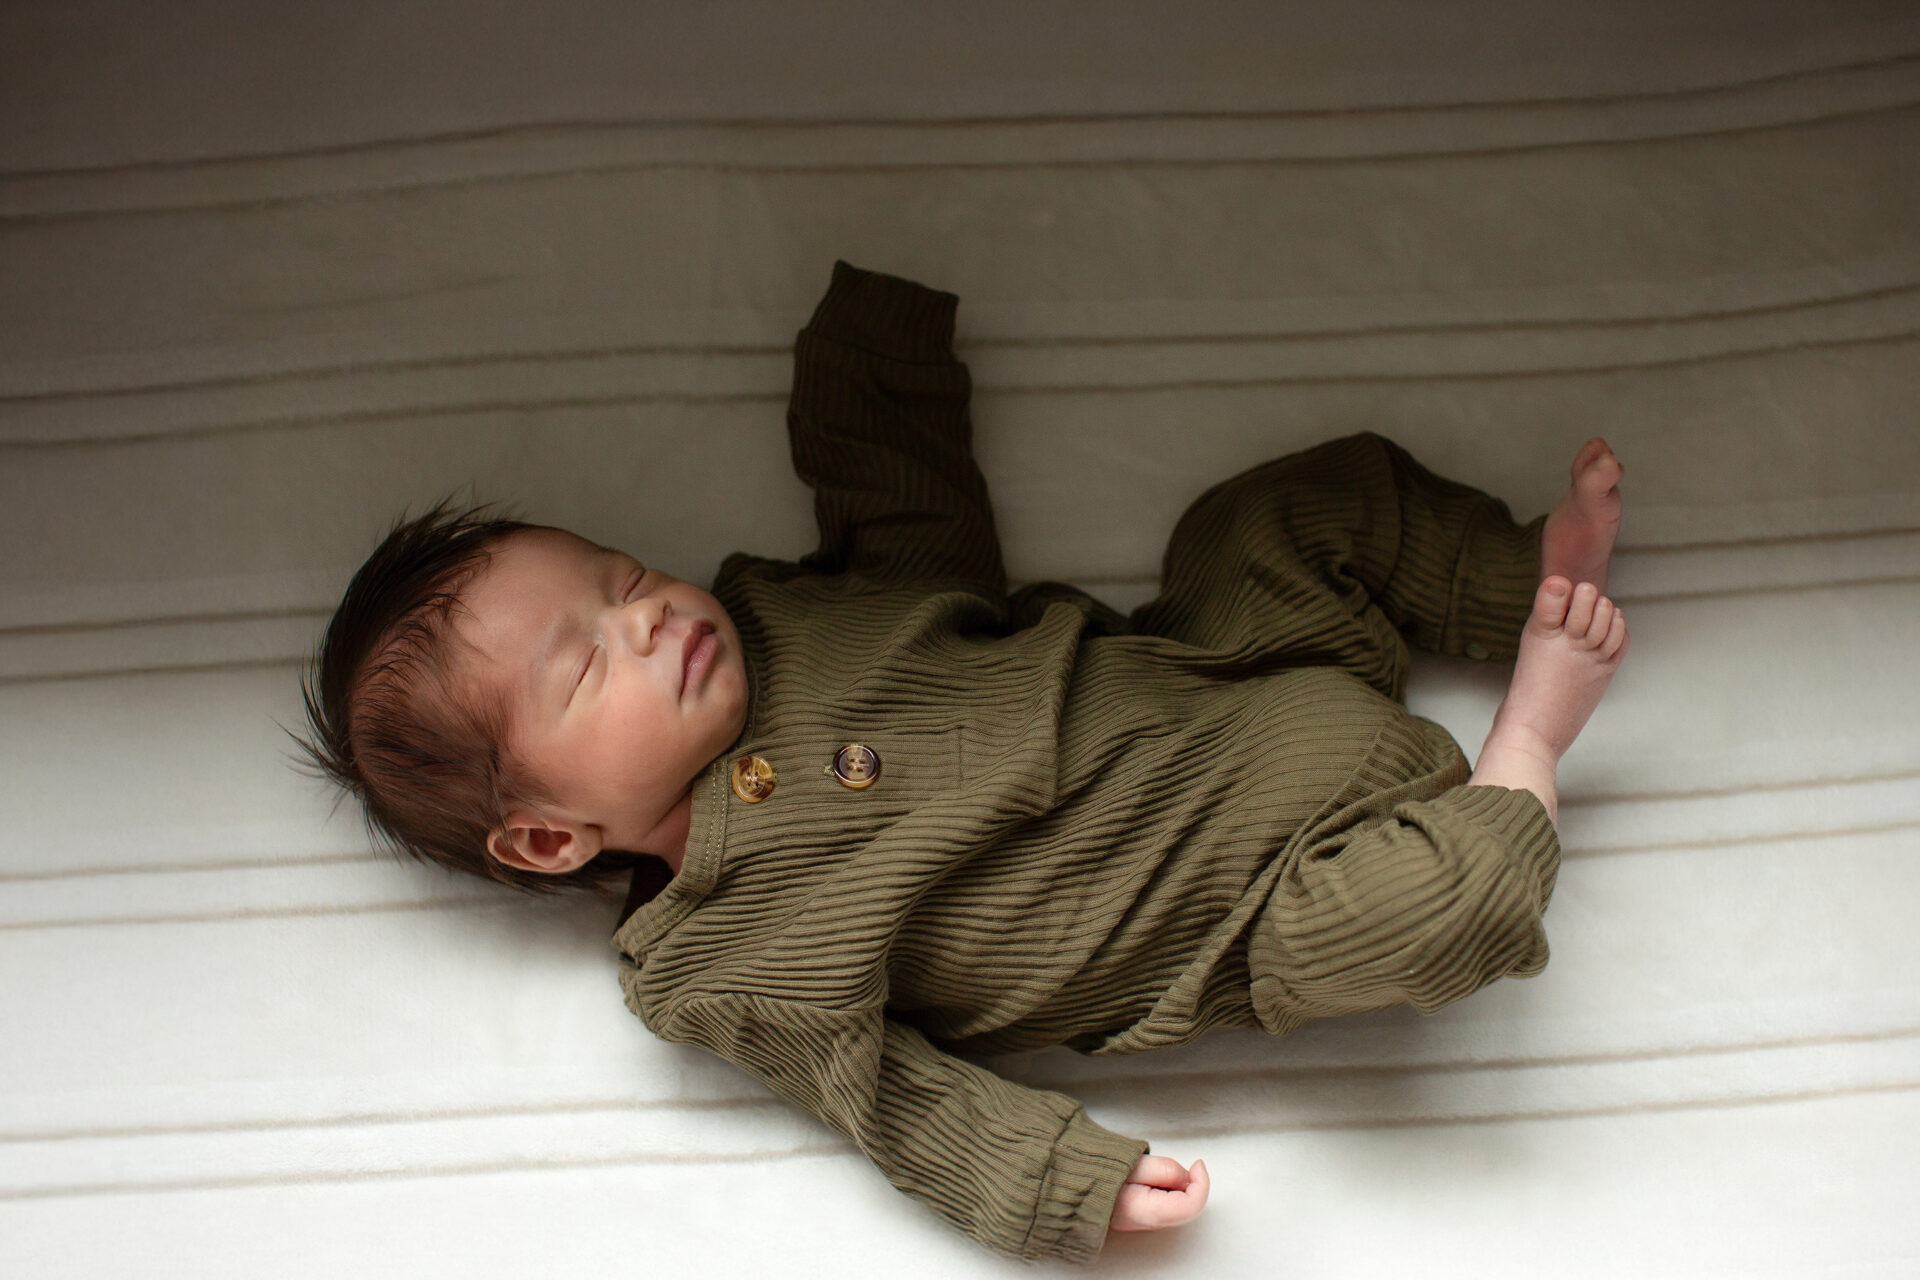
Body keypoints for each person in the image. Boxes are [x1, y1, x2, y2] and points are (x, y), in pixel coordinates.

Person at [298, 260, 1628, 1262]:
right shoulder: (712, 959)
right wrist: (1059, 1180)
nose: (645, 617)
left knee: (1268, 513)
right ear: (546, 835)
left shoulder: (798, 616)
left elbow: (914, 518)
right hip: (1240, 906)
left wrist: (871, 360)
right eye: (587, 666)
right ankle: (1531, 737)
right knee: (1431, 923)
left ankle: (1516, 578)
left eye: (625, 575)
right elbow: (889, 1100)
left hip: (1230, 664)